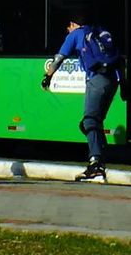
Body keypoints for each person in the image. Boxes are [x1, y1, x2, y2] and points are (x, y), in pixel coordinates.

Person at [41, 16, 123, 182]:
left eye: (68, 27)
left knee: (90, 121)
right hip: (112, 81)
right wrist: (124, 84)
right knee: (94, 121)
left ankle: (96, 165)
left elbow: (59, 58)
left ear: (73, 24)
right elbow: (118, 59)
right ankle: (100, 158)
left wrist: (47, 77)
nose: (67, 31)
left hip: (96, 80)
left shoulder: (76, 34)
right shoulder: (100, 32)